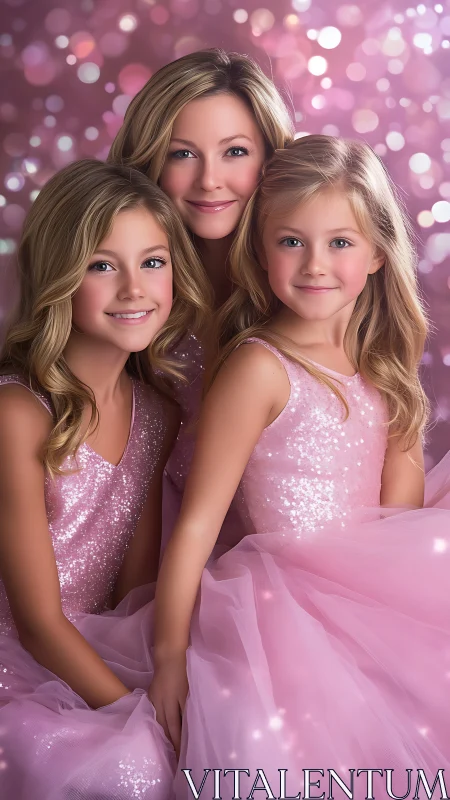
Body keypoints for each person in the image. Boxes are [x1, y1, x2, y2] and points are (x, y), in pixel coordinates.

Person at [148, 135, 450, 798]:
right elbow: (197, 526)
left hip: (367, 604)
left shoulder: (386, 373)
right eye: (291, 242)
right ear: (262, 250)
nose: (315, 264)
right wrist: (168, 656)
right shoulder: (260, 368)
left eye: (340, 242)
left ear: (376, 252)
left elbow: (396, 527)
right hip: (279, 616)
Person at [0, 159, 209, 799]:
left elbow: (134, 595)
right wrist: (134, 713)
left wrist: (164, 689)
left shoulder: (156, 415)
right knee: (135, 764)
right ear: (58, 277)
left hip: (91, 650)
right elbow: (36, 621)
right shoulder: (16, 414)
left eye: (152, 262)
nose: (133, 288)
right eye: (100, 265)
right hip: (20, 663)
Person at [108, 48, 295, 553]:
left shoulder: (308, 282)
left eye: (235, 151)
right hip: (155, 550)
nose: (209, 179)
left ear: (272, 159)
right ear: (149, 161)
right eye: (182, 153)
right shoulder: (125, 295)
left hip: (293, 561)